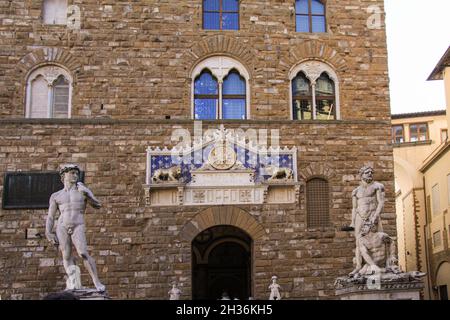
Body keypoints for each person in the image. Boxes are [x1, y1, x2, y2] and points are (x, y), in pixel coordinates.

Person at [45, 164, 105, 292]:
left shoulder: (81, 191)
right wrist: (48, 232)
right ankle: (74, 283)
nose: (75, 175)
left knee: (83, 252)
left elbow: (98, 205)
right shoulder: (56, 195)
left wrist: (88, 194)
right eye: (72, 172)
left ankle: (96, 281)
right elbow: (50, 216)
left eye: (76, 173)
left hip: (78, 224)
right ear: (64, 175)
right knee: (66, 255)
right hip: (62, 225)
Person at [349, 165, 385, 276]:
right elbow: (354, 208)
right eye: (367, 172)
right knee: (358, 241)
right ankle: (358, 266)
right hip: (360, 217)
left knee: (378, 238)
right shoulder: (356, 191)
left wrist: (375, 216)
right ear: (361, 175)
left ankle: (377, 263)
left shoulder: (377, 186)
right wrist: (352, 221)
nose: (369, 174)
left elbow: (381, 202)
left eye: (371, 172)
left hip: (372, 215)